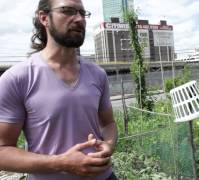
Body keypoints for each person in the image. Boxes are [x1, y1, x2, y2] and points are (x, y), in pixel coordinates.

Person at [0, 0, 118, 179]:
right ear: (44, 18)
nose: (79, 19)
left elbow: (108, 124)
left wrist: (108, 145)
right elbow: (3, 150)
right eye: (68, 11)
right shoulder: (17, 78)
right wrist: (61, 163)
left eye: (82, 13)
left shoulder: (98, 74)